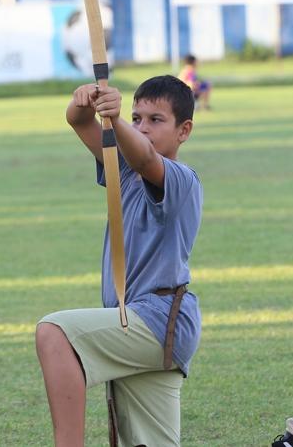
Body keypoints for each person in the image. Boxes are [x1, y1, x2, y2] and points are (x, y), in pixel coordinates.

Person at [35, 76, 203, 447]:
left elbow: (145, 157)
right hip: (144, 324)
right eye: (137, 117)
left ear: (184, 130)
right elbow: (78, 121)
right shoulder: (123, 168)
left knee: (55, 332)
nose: (143, 127)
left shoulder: (181, 178)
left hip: (160, 320)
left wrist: (116, 120)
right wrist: (85, 103)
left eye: (156, 120)